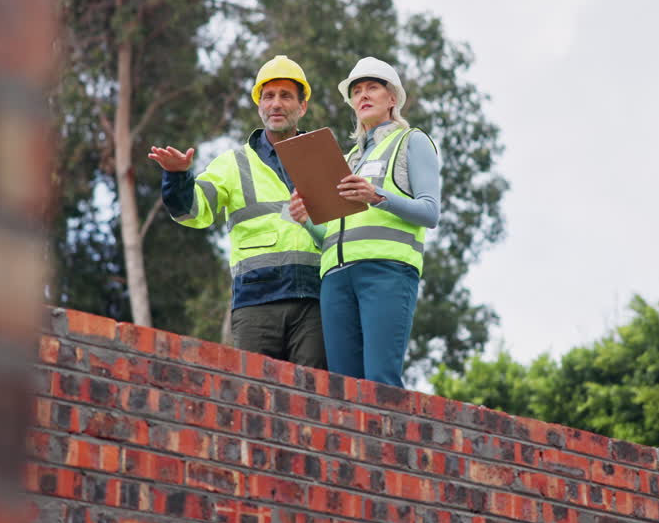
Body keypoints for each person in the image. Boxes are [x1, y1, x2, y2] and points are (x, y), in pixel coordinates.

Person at [147, 55, 326, 369]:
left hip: (315, 301)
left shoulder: (322, 158)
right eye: (268, 96)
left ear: (303, 106)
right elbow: (193, 211)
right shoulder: (233, 163)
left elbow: (344, 228)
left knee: (312, 400)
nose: (276, 104)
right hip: (257, 303)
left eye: (286, 96)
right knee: (254, 402)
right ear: (259, 105)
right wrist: (178, 177)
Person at [290, 57, 440, 387]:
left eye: (373, 87)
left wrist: (377, 196)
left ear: (392, 98)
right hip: (335, 279)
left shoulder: (411, 141)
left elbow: (430, 212)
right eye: (357, 91)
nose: (363, 95)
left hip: (386, 272)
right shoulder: (345, 160)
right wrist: (305, 220)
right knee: (342, 389)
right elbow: (328, 233)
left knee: (380, 383)